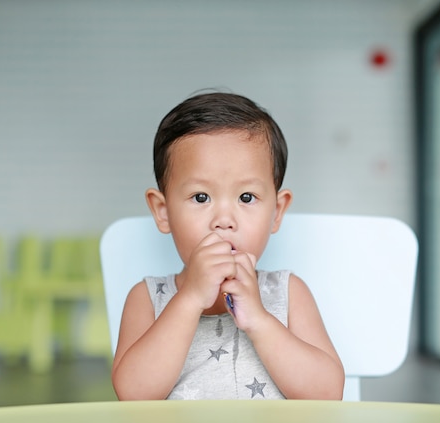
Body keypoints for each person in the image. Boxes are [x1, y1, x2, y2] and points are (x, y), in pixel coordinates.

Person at [112, 91, 344, 400]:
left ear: (276, 212)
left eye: (246, 197)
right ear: (163, 212)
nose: (224, 220)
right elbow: (133, 395)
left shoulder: (287, 293)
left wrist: (259, 320)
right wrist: (190, 299)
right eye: (201, 197)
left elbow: (327, 393)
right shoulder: (149, 298)